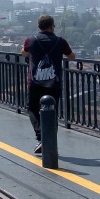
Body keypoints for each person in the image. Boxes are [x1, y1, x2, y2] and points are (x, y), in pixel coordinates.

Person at [20, 14, 74, 154]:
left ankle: (41, 137)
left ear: (39, 26)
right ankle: (50, 140)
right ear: (52, 26)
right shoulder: (60, 41)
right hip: (54, 83)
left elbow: (24, 54)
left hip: (35, 82)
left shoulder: (30, 40)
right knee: (52, 111)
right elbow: (71, 56)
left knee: (32, 108)